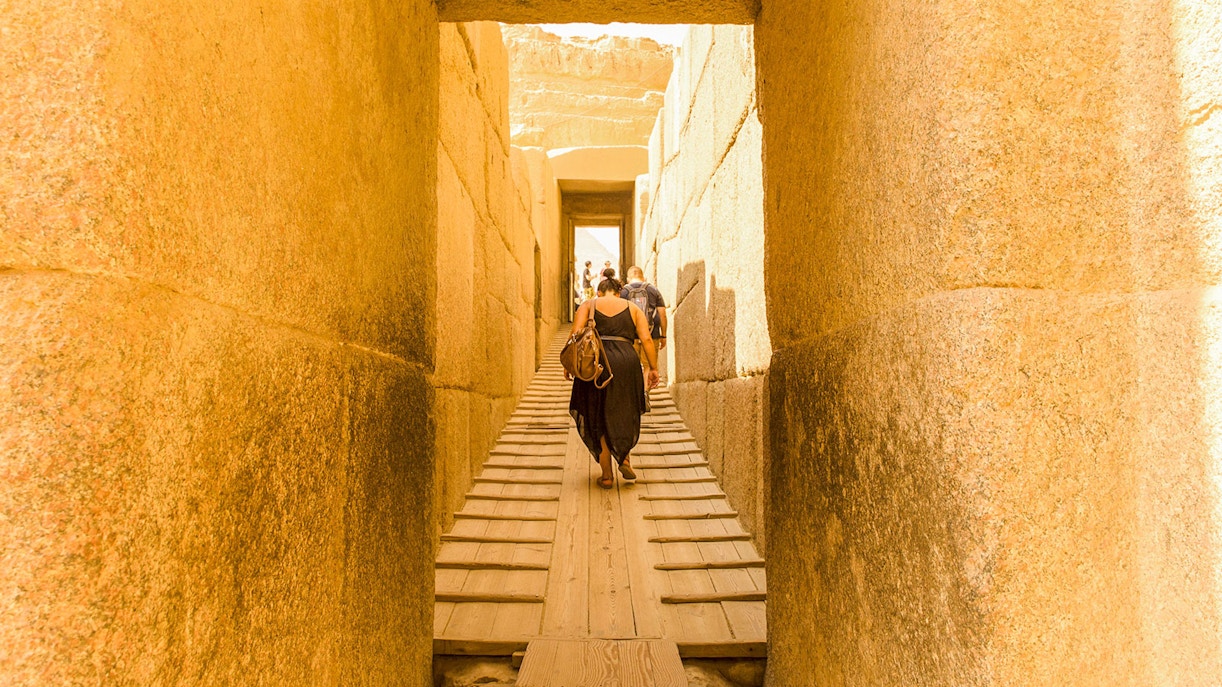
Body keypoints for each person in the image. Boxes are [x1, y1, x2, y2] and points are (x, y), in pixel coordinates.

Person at [566, 275, 660, 489]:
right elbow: (646, 339)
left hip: (596, 364)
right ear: (619, 293)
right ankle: (624, 457)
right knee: (625, 410)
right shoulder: (632, 308)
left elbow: (575, 335)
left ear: (599, 292)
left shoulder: (588, 305)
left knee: (597, 414)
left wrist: (569, 365)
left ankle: (607, 475)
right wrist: (652, 368)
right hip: (626, 362)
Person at [620, 266, 668, 353]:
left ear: (628, 279)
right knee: (649, 366)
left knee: (632, 366)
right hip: (651, 334)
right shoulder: (653, 290)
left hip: (630, 337)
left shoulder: (623, 292)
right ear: (643, 277)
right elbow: (662, 314)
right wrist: (663, 335)